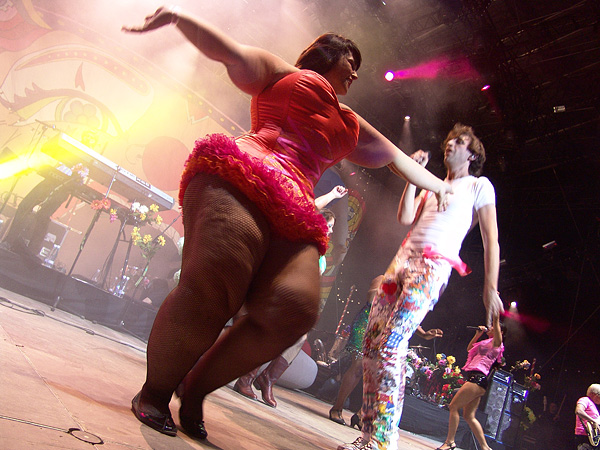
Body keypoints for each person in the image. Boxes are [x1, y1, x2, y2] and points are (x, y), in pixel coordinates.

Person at [122, 6, 452, 440]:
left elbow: (397, 158)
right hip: (246, 174)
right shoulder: (289, 75)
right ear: (326, 57)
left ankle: (196, 387)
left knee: (295, 308)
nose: (354, 76)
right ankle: (155, 391)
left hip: (294, 208)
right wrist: (177, 18)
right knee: (213, 286)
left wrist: (444, 187)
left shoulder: (350, 122)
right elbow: (232, 53)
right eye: (349, 65)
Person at [340, 123, 504, 450]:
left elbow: (492, 239)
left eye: (459, 142)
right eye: (449, 140)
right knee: (372, 346)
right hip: (400, 263)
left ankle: (383, 440)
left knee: (392, 344)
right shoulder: (432, 185)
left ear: (472, 154)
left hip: (431, 268)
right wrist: (415, 176)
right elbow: (405, 217)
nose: (450, 145)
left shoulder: (478, 186)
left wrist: (491, 286)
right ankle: (370, 434)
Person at [233, 188, 345, 408]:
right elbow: (312, 208)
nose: (330, 231)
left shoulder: (321, 252)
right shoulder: (305, 237)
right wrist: (332, 196)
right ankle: (247, 378)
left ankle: (268, 379)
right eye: (329, 226)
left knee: (298, 337)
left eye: (332, 228)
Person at [328, 275, 442, 429]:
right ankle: (337, 408)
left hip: (388, 330)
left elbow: (407, 317)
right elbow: (371, 298)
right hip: (369, 323)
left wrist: (425, 333)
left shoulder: (413, 292)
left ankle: (361, 415)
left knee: (382, 375)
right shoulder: (384, 279)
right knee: (358, 367)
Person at [436, 315, 505, 450]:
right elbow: (469, 349)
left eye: (493, 327)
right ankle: (485, 447)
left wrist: (495, 307)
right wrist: (477, 335)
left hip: (478, 378)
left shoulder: (497, 344)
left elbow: (496, 322)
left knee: (454, 406)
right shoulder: (485, 343)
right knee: (469, 416)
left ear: (499, 331)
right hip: (477, 379)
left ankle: (450, 442)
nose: (490, 328)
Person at [2, 163, 88, 258]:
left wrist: (77, 174)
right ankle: (9, 242)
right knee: (25, 206)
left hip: (65, 186)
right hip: (50, 180)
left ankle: (32, 252)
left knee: (42, 216)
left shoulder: (86, 159)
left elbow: (85, 171)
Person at [574, 384, 600, 449]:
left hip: (593, 438)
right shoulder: (585, 399)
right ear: (593, 394)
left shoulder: (593, 405)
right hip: (584, 437)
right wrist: (593, 421)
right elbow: (578, 411)